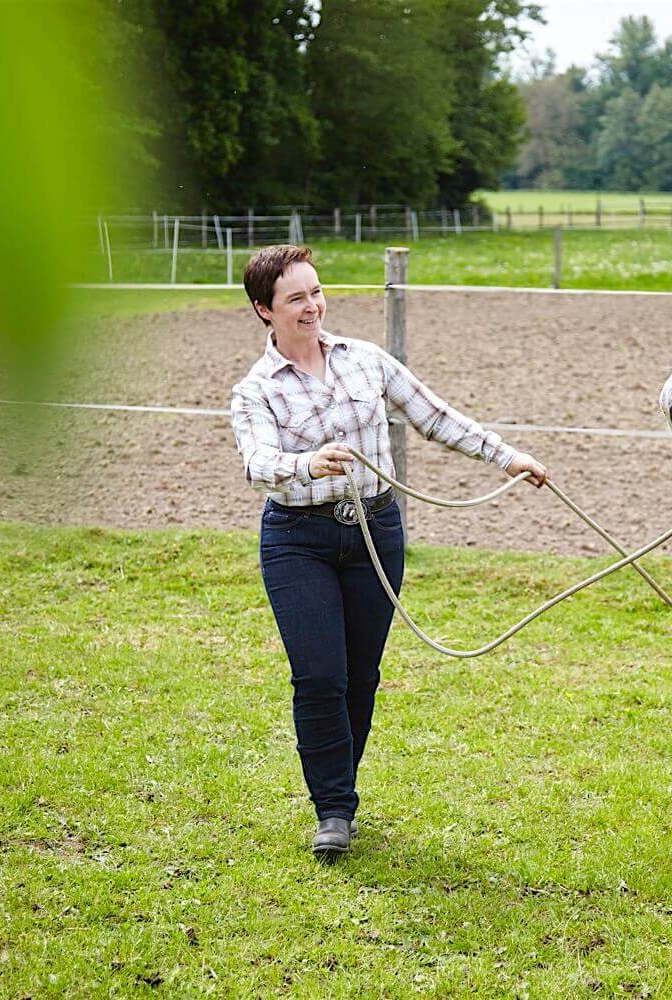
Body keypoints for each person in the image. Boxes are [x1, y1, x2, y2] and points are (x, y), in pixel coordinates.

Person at [230, 245, 549, 859]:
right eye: (295, 298)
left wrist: (508, 457)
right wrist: (305, 463)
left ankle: (339, 794)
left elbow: (435, 416)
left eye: (315, 292)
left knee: (361, 675)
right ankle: (333, 811)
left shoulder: (366, 362)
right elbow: (257, 464)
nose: (312, 306)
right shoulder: (254, 391)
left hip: (376, 531)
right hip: (299, 539)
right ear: (263, 310)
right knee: (319, 674)